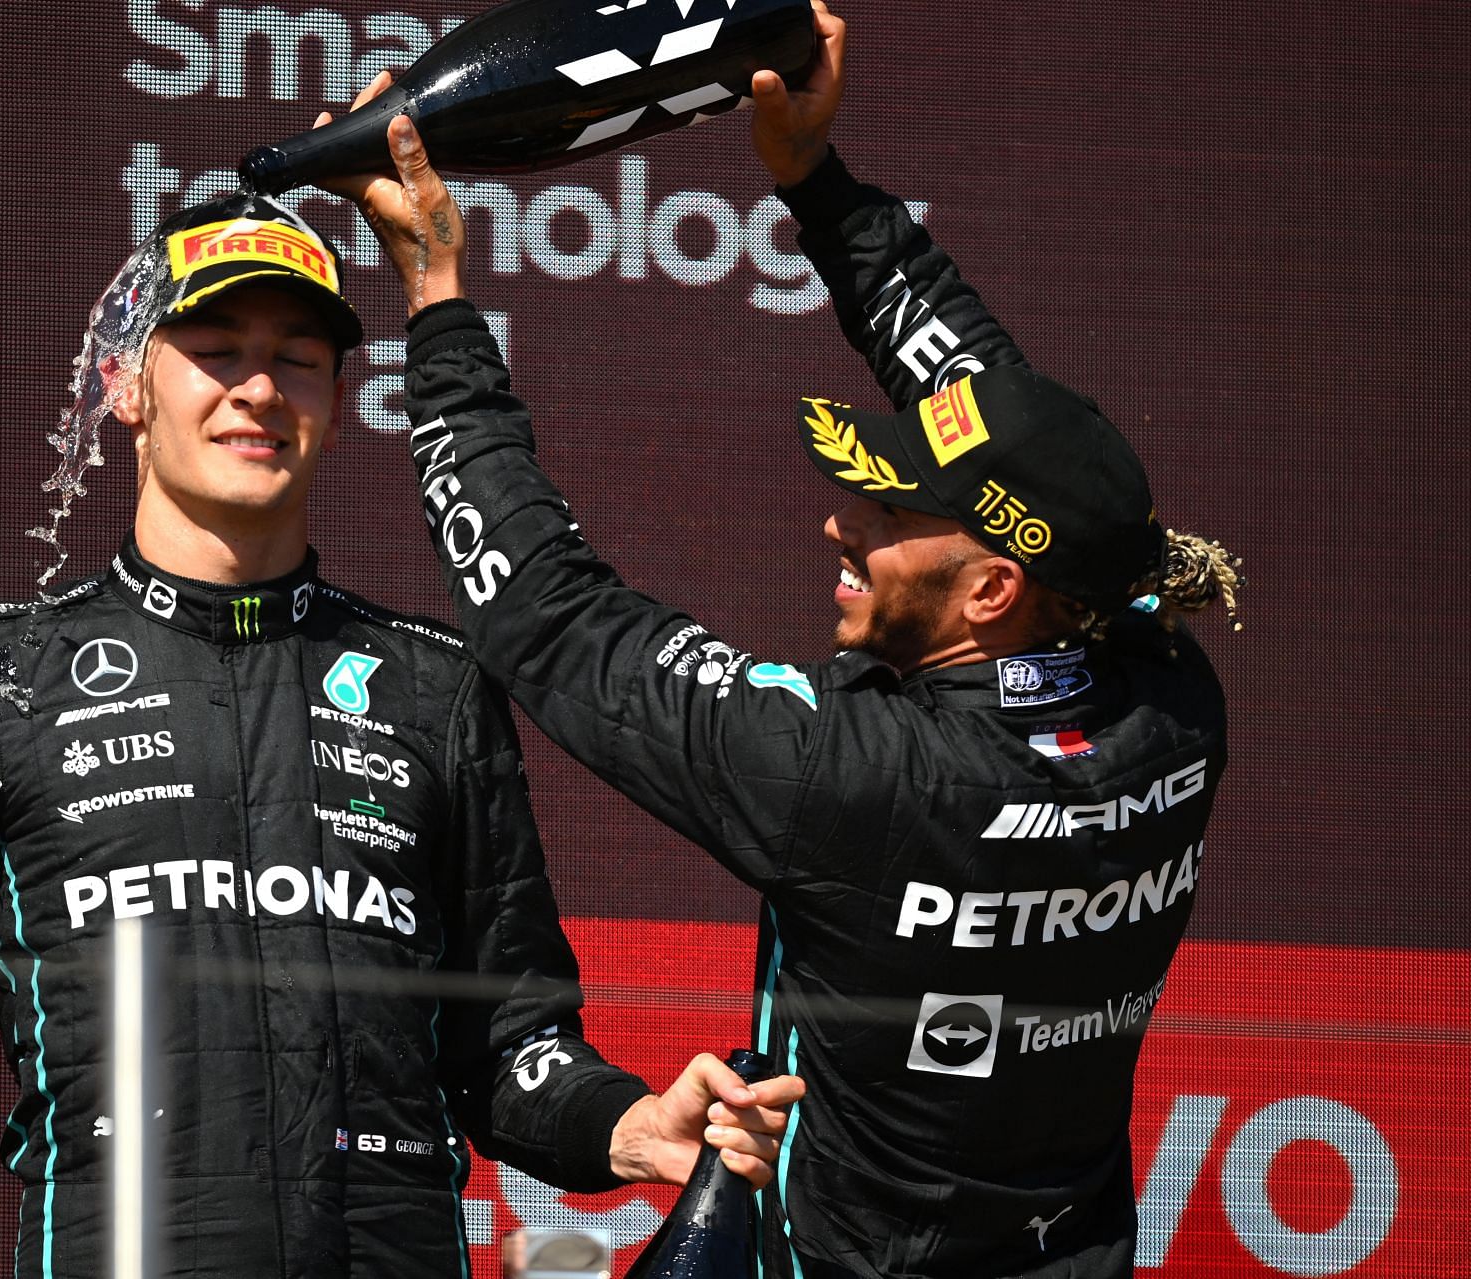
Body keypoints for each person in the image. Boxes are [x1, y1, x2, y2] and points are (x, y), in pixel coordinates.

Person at [0, 192, 802, 1277]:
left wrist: (632, 1125)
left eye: (297, 357)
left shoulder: (431, 687)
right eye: (215, 348)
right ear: (125, 384)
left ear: (336, 392)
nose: (259, 387)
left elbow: (509, 1048)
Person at [327, 8, 1242, 1275]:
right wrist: (818, 184)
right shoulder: (1167, 686)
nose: (841, 520)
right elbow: (1010, 421)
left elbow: (545, 609)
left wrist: (435, 298)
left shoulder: (859, 781)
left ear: (989, 593)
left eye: (890, 511)